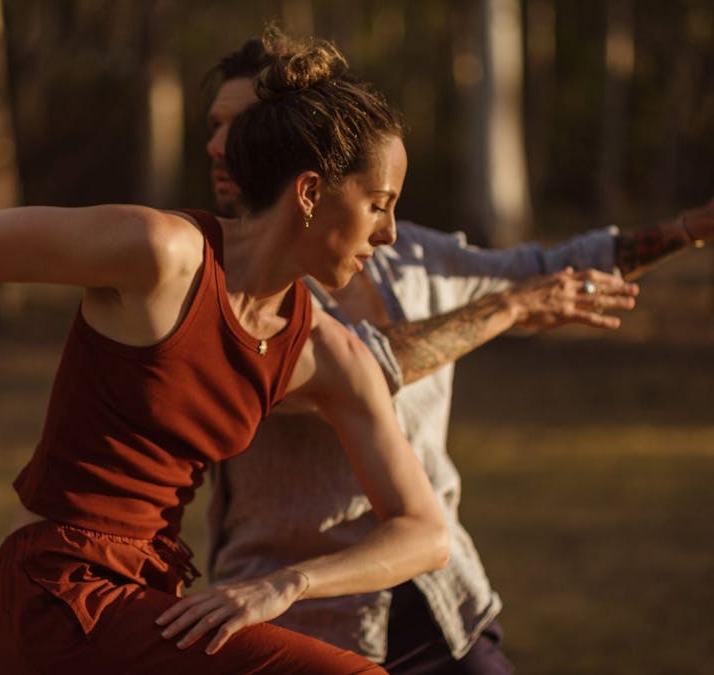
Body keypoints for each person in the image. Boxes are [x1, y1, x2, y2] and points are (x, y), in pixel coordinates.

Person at [0, 30, 451, 674]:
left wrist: (288, 583)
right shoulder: (163, 254)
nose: (390, 234)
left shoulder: (323, 351)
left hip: (154, 604)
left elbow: (424, 531)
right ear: (309, 193)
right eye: (378, 205)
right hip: (58, 595)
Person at [204, 37, 714, 674]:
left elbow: (541, 268)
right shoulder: (226, 282)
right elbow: (354, 369)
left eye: (237, 124)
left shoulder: (410, 253)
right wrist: (506, 309)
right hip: (291, 612)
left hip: (439, 600)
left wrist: (690, 229)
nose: (217, 146)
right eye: (214, 125)